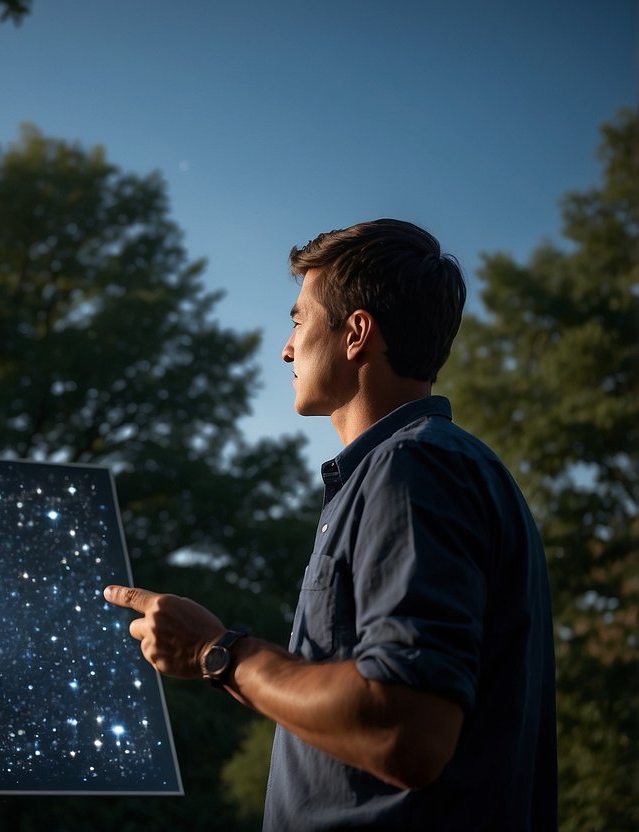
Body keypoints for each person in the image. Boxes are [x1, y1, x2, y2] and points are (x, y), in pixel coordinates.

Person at [105, 219, 556, 830]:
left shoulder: (414, 468)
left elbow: (406, 729)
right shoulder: (431, 469)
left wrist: (217, 652)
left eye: (298, 320)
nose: (286, 348)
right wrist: (220, 660)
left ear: (356, 333)